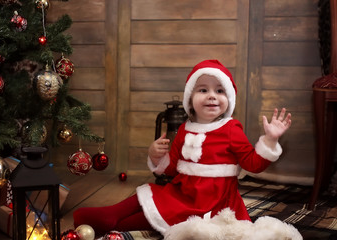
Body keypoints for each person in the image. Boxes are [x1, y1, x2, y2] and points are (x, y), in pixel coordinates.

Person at [73, 59, 292, 237]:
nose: (212, 96)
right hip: (183, 192)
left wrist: (270, 140)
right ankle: (111, 215)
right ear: (190, 99)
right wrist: (156, 155)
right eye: (203, 90)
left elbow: (252, 163)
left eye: (220, 91)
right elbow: (172, 168)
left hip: (212, 203)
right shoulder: (186, 128)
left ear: (229, 99)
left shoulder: (231, 128)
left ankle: (112, 223)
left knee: (155, 216)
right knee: (150, 194)